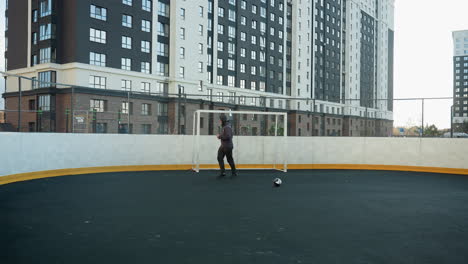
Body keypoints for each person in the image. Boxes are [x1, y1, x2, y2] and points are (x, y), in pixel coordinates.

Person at [216, 114, 237, 178]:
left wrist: (219, 136)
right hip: (223, 146)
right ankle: (223, 172)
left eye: (220, 119)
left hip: (227, 146)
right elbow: (230, 135)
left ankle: (234, 172)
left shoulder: (227, 127)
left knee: (229, 159)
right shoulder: (225, 126)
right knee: (219, 158)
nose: (219, 121)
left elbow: (228, 136)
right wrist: (221, 136)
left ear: (222, 120)